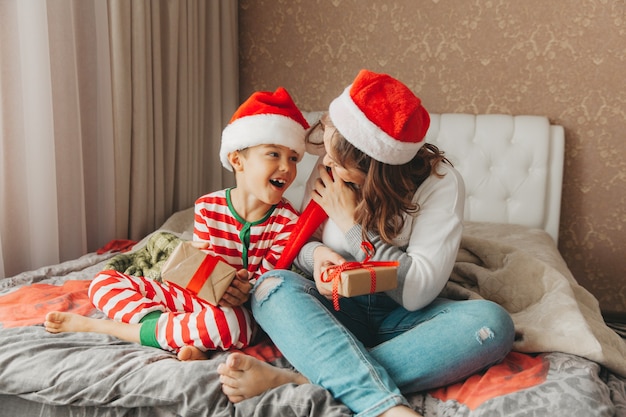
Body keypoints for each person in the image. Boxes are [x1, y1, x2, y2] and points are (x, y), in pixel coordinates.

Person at [216, 70, 515, 417]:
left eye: (338, 162)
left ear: (373, 170)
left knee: (491, 323)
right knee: (270, 287)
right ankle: (384, 407)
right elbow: (301, 246)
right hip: (339, 310)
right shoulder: (331, 166)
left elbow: (416, 292)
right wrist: (320, 259)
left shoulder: (441, 184)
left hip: (403, 318)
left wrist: (352, 226)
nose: (325, 163)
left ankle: (302, 378)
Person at [44, 87, 310, 361]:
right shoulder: (208, 207)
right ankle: (179, 335)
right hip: (197, 303)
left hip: (243, 312)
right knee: (103, 282)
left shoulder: (288, 223)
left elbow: (266, 287)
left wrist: (246, 290)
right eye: (273, 154)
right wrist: (191, 260)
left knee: (230, 325)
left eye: (293, 158)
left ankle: (115, 329)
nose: (287, 168)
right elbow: (204, 281)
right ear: (237, 160)